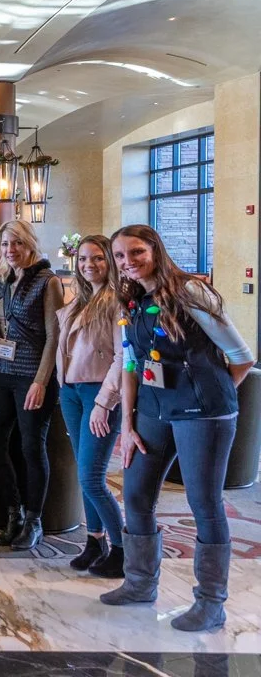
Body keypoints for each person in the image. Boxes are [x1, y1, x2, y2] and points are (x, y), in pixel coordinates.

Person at [100, 225, 254, 633]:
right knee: (135, 493)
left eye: (136, 252)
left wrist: (208, 400)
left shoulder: (189, 292)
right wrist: (128, 422)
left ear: (155, 251)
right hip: (153, 410)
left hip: (202, 411)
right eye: (119, 256)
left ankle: (210, 602)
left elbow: (241, 356)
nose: (127, 262)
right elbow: (131, 364)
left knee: (203, 502)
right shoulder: (131, 300)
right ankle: (139, 583)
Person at [0, 220, 64, 551]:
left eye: (16, 243)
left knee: (32, 448)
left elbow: (54, 337)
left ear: (30, 243)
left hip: (33, 375)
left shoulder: (48, 282)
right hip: (1, 372)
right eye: (4, 244)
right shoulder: (3, 280)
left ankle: (34, 520)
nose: (10, 250)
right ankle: (13, 511)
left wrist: (41, 381)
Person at [56, 234, 125, 578]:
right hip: (70, 390)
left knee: (92, 476)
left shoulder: (116, 302)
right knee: (86, 476)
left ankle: (124, 549)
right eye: (83, 259)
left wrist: (104, 402)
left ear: (109, 261)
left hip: (98, 393)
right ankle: (95, 541)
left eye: (97, 258)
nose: (89, 265)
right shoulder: (81, 298)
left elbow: (122, 357)